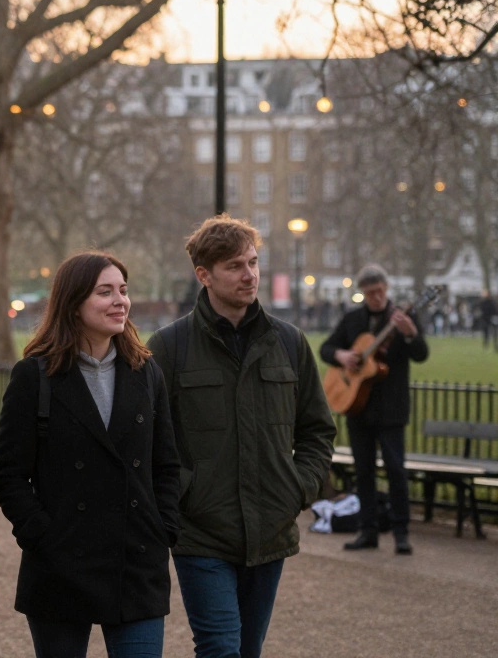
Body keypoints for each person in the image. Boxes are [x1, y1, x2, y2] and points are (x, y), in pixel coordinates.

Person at [145, 215, 334, 658]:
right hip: (200, 532)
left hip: (270, 526)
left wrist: (298, 488)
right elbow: (149, 438)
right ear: (204, 275)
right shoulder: (169, 348)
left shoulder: (288, 342)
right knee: (220, 648)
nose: (249, 275)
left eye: (253, 262)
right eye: (235, 266)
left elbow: (318, 429)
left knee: (247, 649)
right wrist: (181, 496)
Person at [0, 251, 180, 658]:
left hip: (136, 562)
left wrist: (162, 527)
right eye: (105, 292)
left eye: (123, 291)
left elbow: (166, 464)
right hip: (61, 565)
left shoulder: (146, 372)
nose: (121, 301)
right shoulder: (35, 377)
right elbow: (8, 472)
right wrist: (41, 534)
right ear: (74, 303)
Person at [320, 264, 428, 555]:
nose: (376, 297)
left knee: (395, 471)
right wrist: (342, 355)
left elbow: (421, 354)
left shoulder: (404, 317)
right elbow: (326, 349)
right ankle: (367, 531)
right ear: (363, 294)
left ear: (387, 288)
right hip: (358, 408)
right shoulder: (353, 320)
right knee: (364, 472)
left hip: (391, 408)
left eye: (379, 291)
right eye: (370, 293)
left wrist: (410, 333)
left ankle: (401, 533)